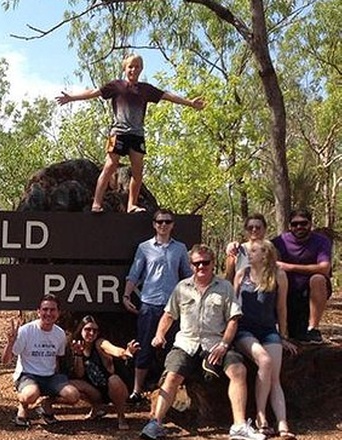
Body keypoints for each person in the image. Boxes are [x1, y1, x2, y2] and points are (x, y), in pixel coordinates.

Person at [140, 244, 265, 440]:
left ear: (213, 263)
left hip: (215, 343)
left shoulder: (224, 287)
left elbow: (233, 319)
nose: (201, 267)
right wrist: (159, 335)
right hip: (186, 343)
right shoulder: (182, 287)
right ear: (190, 265)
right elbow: (168, 314)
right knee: (172, 375)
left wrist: (224, 344)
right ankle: (155, 423)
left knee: (238, 370)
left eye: (205, 262)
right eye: (196, 263)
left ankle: (239, 426)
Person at [55, 54, 205, 214]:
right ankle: (96, 203)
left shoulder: (145, 89)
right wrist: (72, 98)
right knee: (110, 166)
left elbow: (167, 95)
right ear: (125, 69)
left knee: (138, 171)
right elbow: (94, 92)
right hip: (118, 133)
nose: (134, 69)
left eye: (137, 67)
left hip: (136, 135)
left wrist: (189, 103)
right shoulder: (116, 86)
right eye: (130, 67)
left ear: (141, 69)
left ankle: (131, 205)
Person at [122, 209, 192, 403]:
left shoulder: (180, 249)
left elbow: (187, 275)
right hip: (149, 305)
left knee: (174, 348)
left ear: (172, 225)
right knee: (144, 347)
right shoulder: (144, 248)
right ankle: (137, 390)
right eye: (159, 221)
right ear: (154, 224)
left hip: (173, 307)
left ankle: (170, 392)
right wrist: (127, 295)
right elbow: (135, 273)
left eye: (167, 222)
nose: (163, 225)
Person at [233, 240, 298, 440]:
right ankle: (261, 416)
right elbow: (233, 306)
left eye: (254, 251)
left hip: (269, 330)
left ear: (265, 254)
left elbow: (281, 308)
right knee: (265, 360)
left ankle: (282, 422)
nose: (249, 253)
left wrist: (283, 335)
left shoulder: (278, 275)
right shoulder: (241, 275)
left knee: (274, 376)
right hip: (244, 331)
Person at [2, 294, 83, 427]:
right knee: (30, 395)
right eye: (45, 309)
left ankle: (46, 404)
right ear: (38, 311)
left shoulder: (60, 334)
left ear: (58, 313)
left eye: (52, 310)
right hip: (28, 375)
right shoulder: (26, 331)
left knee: (73, 396)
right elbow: (5, 361)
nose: (48, 313)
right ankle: (23, 405)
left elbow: (56, 358)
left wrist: (57, 382)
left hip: (50, 376)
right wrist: (10, 343)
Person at [271, 209, 333, 343]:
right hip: (286, 293)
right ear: (290, 226)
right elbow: (257, 249)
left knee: (318, 279)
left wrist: (289, 267)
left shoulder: (321, 241)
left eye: (303, 223)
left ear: (310, 224)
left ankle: (313, 329)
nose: (299, 227)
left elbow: (324, 268)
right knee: (295, 334)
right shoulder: (279, 241)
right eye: (295, 224)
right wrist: (234, 246)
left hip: (310, 293)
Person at [70, 315, 139, 430]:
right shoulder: (77, 346)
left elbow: (114, 350)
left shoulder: (100, 343)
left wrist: (125, 352)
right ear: (80, 330)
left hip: (116, 389)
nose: (91, 333)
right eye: (88, 329)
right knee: (71, 384)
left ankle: (121, 417)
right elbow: (79, 374)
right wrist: (78, 355)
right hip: (97, 391)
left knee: (114, 380)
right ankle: (97, 408)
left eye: (95, 330)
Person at [224, 213, 268, 282]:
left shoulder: (271, 251)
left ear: (265, 229)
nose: (254, 230)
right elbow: (228, 278)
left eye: (258, 227)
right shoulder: (236, 251)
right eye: (250, 228)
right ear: (246, 230)